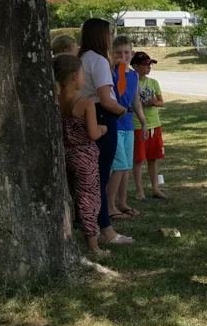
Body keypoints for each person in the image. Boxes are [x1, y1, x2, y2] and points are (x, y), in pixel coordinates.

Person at [78, 18, 133, 245]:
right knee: (101, 175)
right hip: (102, 115)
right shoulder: (98, 60)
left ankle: (91, 223)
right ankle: (105, 229)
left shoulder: (81, 58)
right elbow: (105, 98)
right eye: (108, 34)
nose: (110, 38)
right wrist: (122, 110)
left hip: (84, 115)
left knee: (90, 175)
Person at [54, 53, 108, 256]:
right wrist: (103, 129)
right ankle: (93, 246)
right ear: (74, 78)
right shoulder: (85, 103)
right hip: (84, 157)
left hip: (64, 155)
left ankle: (68, 234)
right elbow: (92, 134)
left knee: (69, 196)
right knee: (88, 198)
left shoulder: (54, 101)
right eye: (82, 74)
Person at [107, 36, 149, 220]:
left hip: (129, 125)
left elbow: (135, 99)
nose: (122, 56)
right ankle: (110, 206)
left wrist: (143, 121)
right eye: (118, 53)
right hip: (114, 125)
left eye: (126, 53)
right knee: (119, 165)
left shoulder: (133, 75)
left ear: (131, 54)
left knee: (126, 166)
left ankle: (123, 202)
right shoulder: (109, 72)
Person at [131, 51, 168, 200]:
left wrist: (155, 103)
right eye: (146, 65)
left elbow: (162, 102)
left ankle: (155, 188)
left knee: (153, 158)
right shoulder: (132, 82)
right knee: (138, 159)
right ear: (135, 66)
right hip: (137, 125)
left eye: (150, 64)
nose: (149, 67)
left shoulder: (153, 83)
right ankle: (139, 191)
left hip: (155, 124)